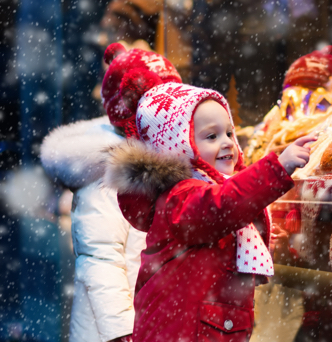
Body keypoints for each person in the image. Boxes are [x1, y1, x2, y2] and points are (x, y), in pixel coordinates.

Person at [101, 41, 313, 341]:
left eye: (229, 132)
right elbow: (223, 207)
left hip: (208, 326)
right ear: (178, 145)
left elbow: (226, 218)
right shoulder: (181, 196)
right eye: (211, 136)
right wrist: (277, 168)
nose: (227, 142)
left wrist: (258, 231)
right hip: (185, 331)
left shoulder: (208, 191)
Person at [40, 44, 184, 342]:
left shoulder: (156, 161)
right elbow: (100, 260)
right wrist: (123, 332)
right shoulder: (110, 171)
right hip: (114, 331)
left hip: (150, 322)